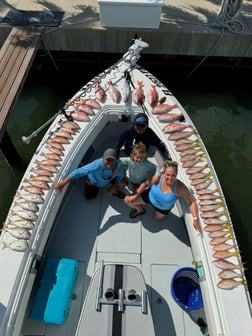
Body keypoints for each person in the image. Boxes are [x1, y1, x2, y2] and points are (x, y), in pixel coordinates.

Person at [124, 160, 202, 232]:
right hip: (149, 197)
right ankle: (140, 210)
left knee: (157, 218)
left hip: (162, 208)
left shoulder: (180, 187)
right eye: (168, 175)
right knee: (127, 200)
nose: (170, 178)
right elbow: (145, 184)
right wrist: (135, 196)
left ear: (176, 175)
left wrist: (195, 219)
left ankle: (156, 211)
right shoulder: (159, 177)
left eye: (173, 175)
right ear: (164, 173)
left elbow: (192, 202)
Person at [53, 148, 126, 201]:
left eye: (112, 160)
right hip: (94, 183)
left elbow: (119, 178)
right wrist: (62, 184)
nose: (110, 162)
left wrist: (113, 187)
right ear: (103, 158)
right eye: (108, 160)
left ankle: (113, 191)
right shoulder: (96, 165)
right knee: (90, 200)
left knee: (125, 183)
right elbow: (78, 172)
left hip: (107, 179)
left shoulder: (117, 166)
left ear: (115, 160)